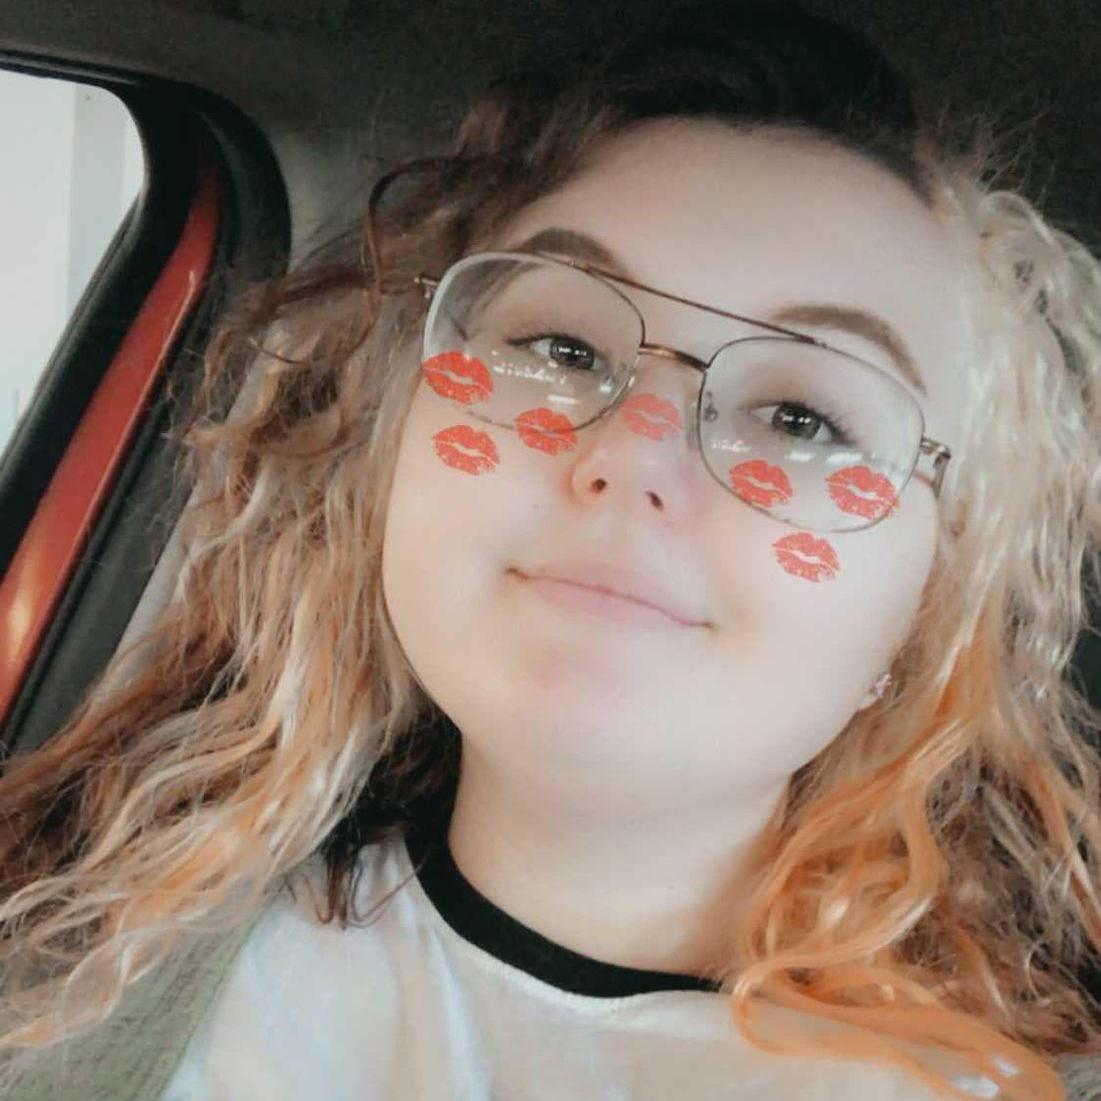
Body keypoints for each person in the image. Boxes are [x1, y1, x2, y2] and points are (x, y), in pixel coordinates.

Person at [3, 2, 1101, 1098]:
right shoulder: (81, 954)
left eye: (801, 419)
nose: (632, 456)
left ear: (930, 607)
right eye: (561, 345)